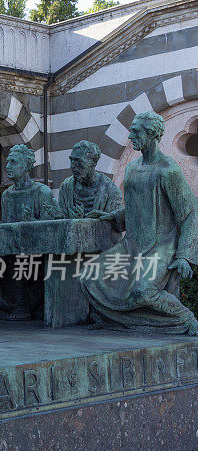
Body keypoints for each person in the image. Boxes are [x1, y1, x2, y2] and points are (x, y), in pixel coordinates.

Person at [83, 111, 198, 334]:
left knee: (142, 292)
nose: (131, 136)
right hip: (131, 245)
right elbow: (137, 206)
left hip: (160, 246)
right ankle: (124, 321)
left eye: (136, 131)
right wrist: (115, 217)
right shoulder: (132, 168)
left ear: (152, 133)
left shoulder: (168, 170)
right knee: (89, 277)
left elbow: (189, 212)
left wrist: (184, 255)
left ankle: (186, 318)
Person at [0, 144, 60, 320]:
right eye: (7, 162)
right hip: (14, 248)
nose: (8, 167)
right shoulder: (7, 195)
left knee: (17, 260)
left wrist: (33, 223)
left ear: (26, 166)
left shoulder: (42, 192)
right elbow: (6, 227)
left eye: (13, 162)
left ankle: (22, 306)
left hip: (37, 251)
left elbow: (53, 226)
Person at [58, 141, 121, 218]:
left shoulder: (110, 191)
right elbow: (61, 222)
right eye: (71, 160)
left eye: (79, 161)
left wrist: (83, 222)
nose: (72, 166)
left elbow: (113, 225)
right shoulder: (66, 187)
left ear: (93, 163)